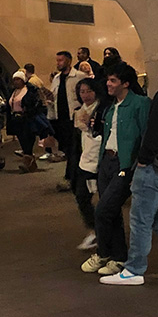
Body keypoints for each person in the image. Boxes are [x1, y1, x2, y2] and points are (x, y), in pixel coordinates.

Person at [102, 59, 158, 285]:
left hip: (156, 167)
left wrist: (143, 160)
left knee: (140, 219)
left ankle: (134, 270)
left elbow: (155, 132)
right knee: (156, 217)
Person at [81, 63, 150, 277]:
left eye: (113, 80)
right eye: (108, 80)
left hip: (125, 163)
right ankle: (118, 257)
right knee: (112, 213)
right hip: (107, 162)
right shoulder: (112, 106)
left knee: (103, 210)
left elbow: (146, 135)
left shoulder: (140, 104)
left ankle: (104, 252)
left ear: (125, 83)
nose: (108, 84)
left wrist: (138, 164)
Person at [71, 76, 104, 251]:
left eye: (89, 91)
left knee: (104, 199)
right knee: (82, 196)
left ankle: (104, 234)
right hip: (84, 161)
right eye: (82, 92)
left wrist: (90, 126)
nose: (85, 95)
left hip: (99, 160)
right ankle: (94, 230)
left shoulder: (102, 110)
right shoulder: (78, 111)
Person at [49, 51, 87, 192]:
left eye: (61, 60)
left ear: (69, 61)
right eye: (57, 60)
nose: (58, 63)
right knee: (67, 149)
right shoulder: (57, 79)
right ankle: (73, 176)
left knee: (74, 149)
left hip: (75, 118)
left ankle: (71, 178)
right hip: (61, 119)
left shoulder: (79, 77)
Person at [6, 71, 44, 172]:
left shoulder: (29, 91)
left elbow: (36, 103)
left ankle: (27, 162)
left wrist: (29, 111)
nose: (16, 82)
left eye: (18, 79)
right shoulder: (12, 92)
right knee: (22, 141)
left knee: (28, 140)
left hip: (27, 118)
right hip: (16, 119)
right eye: (14, 80)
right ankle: (31, 163)